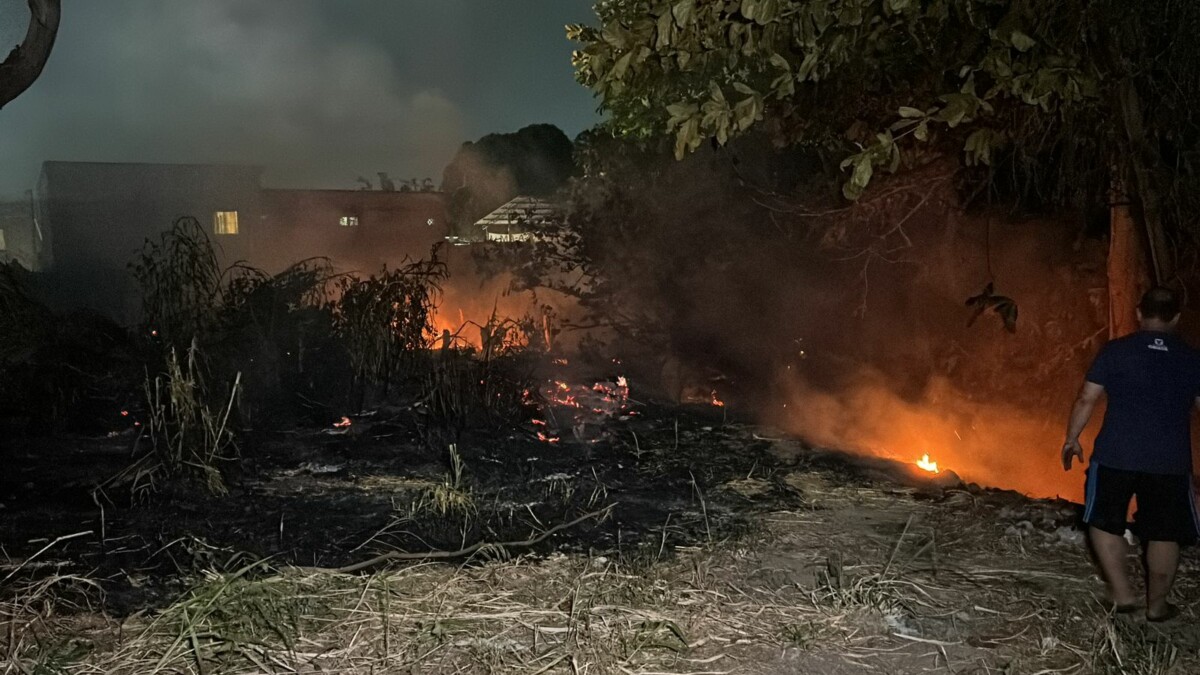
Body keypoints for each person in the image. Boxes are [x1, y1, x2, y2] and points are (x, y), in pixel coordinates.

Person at [1063, 286, 1200, 621]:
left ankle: (1123, 596)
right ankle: (1156, 606)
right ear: (1177, 318)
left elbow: (1086, 398)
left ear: (1139, 313)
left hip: (1115, 455)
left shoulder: (1116, 351)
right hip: (1169, 461)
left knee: (1104, 522)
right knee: (1165, 532)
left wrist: (1072, 438)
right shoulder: (1192, 359)